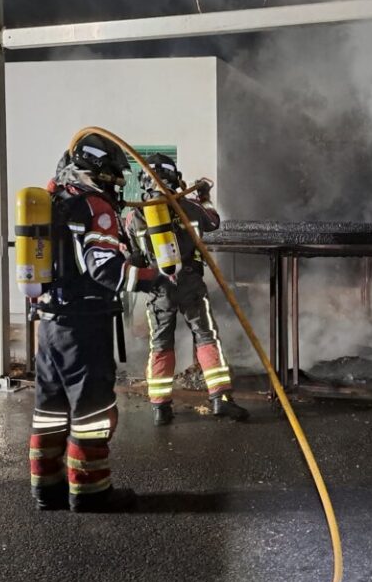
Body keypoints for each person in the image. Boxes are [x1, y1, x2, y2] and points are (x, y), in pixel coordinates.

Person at [28, 134, 160, 512]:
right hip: (84, 324)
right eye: (114, 180)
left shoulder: (55, 198)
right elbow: (105, 270)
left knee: (50, 408)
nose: (116, 188)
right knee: (91, 412)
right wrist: (152, 278)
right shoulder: (96, 207)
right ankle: (91, 492)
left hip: (50, 322)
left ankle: (46, 489)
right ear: (98, 172)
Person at [125, 153, 248, 426]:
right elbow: (214, 222)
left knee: (160, 345)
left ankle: (160, 407)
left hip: (158, 289)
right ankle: (220, 399)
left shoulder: (134, 216)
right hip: (191, 282)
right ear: (173, 177)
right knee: (206, 337)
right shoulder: (190, 207)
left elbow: (133, 253)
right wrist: (203, 195)